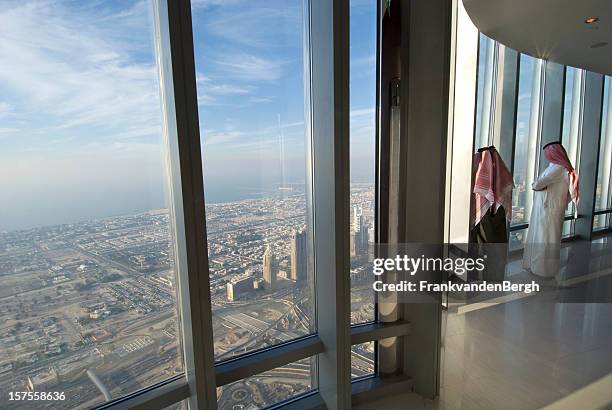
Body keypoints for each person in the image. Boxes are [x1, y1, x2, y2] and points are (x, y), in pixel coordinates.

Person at [522, 142, 579, 278]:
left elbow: (537, 184)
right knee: (543, 237)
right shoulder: (554, 167)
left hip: (549, 209)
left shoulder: (558, 168)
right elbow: (538, 184)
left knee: (546, 239)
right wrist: (539, 185)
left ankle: (544, 271)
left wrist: (539, 185)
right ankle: (538, 267)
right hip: (546, 208)